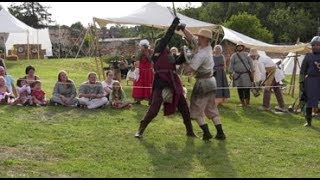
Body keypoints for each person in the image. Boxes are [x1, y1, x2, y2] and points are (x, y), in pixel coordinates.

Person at [134, 17, 196, 138]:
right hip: (160, 82)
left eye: (165, 44)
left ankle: (190, 131)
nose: (165, 45)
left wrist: (185, 51)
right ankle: (140, 129)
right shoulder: (156, 54)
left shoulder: (171, 55)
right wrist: (174, 24)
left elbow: (181, 59)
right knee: (154, 108)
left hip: (173, 81)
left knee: (184, 107)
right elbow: (166, 37)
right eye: (163, 43)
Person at [179, 25, 226, 140]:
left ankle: (207, 133)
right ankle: (220, 133)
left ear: (207, 39)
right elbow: (192, 40)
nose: (198, 38)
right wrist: (183, 29)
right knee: (211, 108)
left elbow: (190, 70)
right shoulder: (207, 47)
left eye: (201, 37)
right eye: (199, 36)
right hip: (211, 81)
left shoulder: (201, 54)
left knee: (195, 109)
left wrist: (182, 60)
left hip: (203, 83)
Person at [300, 36, 320, 127]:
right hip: (311, 81)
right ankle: (308, 121)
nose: (315, 46)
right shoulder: (308, 56)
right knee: (309, 102)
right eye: (313, 45)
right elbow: (303, 71)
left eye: (317, 45)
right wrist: (301, 82)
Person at [229, 43, 254, 107]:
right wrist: (230, 72)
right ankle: (242, 103)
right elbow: (231, 64)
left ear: (243, 47)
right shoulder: (234, 55)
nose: (239, 47)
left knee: (247, 89)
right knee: (239, 89)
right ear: (236, 47)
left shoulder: (247, 55)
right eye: (238, 46)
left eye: (240, 46)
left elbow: (251, 63)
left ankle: (247, 103)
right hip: (237, 75)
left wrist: (252, 71)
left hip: (246, 74)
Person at [132, 39, 154, 104]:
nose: (141, 47)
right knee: (139, 84)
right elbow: (137, 59)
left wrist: (146, 52)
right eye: (141, 46)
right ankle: (137, 100)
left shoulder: (151, 51)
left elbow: (150, 60)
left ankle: (150, 100)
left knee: (148, 85)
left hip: (148, 71)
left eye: (143, 46)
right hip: (141, 71)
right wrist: (141, 52)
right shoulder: (140, 51)